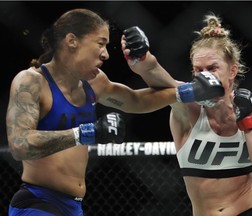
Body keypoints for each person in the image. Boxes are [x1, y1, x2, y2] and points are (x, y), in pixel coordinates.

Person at [6, 8, 184, 216]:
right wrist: (86, 133)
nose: (106, 54)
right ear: (72, 41)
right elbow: (19, 144)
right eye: (100, 43)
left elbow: (138, 101)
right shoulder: (31, 81)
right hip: (37, 203)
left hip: (74, 206)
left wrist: (185, 89)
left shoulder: (93, 83)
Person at [122, 13, 252, 215]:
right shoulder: (187, 105)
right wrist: (141, 56)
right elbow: (155, 73)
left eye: (212, 68)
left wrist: (246, 118)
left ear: (232, 71)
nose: (205, 75)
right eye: (199, 70)